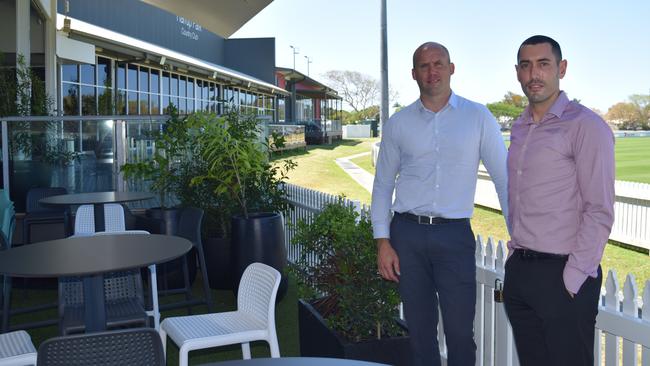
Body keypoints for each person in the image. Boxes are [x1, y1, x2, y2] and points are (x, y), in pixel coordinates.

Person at [371, 42, 508, 366]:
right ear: (414, 73)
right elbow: (382, 186)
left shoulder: (478, 117)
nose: (432, 72)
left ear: (451, 68)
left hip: (454, 236)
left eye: (438, 64)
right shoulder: (399, 123)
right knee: (419, 332)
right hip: (407, 236)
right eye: (424, 66)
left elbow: (504, 180)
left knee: (461, 334)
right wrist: (382, 242)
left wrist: (519, 235)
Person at [503, 35, 615, 366]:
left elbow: (600, 209)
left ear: (561, 69)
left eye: (543, 64)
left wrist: (572, 278)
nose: (533, 74)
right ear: (518, 72)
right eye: (526, 66)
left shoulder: (586, 126)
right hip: (521, 270)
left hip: (564, 274)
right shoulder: (520, 127)